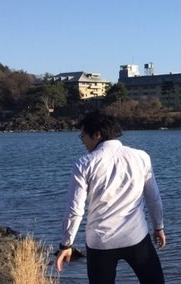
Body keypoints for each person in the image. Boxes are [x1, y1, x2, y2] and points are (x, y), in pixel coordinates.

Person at [56, 111, 167, 284]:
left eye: (83, 136)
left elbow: (75, 210)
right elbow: (153, 198)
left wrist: (66, 244)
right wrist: (158, 226)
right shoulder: (141, 157)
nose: (83, 141)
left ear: (97, 135)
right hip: (136, 237)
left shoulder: (84, 164)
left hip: (100, 242)